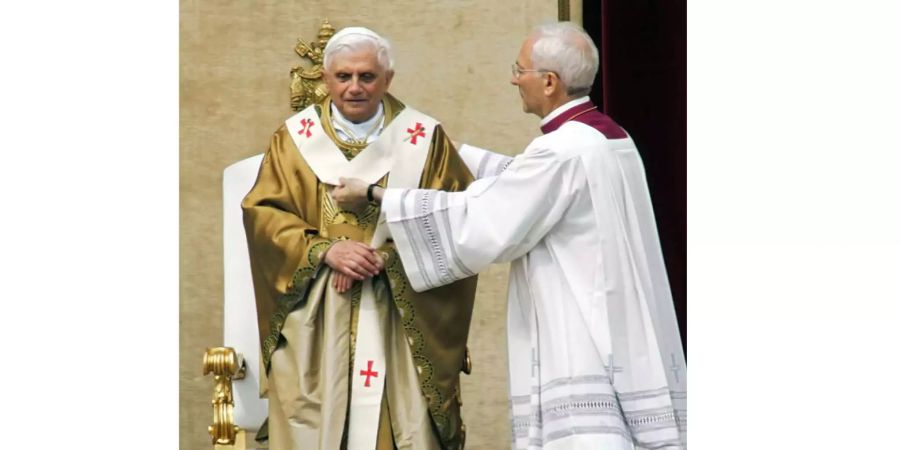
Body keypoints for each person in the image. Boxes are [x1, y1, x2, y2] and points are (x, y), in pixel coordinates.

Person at [333, 22, 686, 450]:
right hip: (617, 313)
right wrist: (451, 151)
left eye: (520, 70)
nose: (513, 79)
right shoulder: (605, 136)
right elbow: (525, 184)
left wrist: (376, 196)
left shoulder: (561, 151)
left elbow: (487, 218)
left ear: (550, 82)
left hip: (578, 320)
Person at [242, 27, 477, 450]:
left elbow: (459, 217)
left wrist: (388, 255)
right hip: (319, 311)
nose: (354, 88)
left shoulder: (425, 140)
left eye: (367, 76)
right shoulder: (293, 141)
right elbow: (264, 215)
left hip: (399, 314)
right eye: (343, 76)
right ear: (327, 80)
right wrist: (326, 249)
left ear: (388, 79)